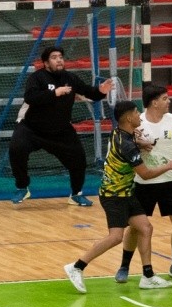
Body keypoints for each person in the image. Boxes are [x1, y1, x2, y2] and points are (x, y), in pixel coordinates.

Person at [64, 100, 172, 293]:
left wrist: (141, 143)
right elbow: (145, 174)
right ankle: (77, 267)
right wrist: (169, 166)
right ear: (128, 118)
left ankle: (148, 276)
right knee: (116, 237)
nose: (139, 116)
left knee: (145, 228)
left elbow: (130, 142)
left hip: (126, 192)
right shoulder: (127, 145)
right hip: (114, 195)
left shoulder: (119, 133)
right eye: (137, 113)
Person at [113, 84, 172, 283]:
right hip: (143, 181)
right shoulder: (136, 122)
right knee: (135, 227)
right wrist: (140, 144)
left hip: (169, 181)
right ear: (154, 102)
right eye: (165, 98)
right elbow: (125, 147)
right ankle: (124, 265)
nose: (169, 101)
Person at [8, 46, 112, 206]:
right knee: (16, 149)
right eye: (54, 57)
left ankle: (76, 194)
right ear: (46, 63)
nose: (59, 60)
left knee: (79, 160)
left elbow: (89, 93)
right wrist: (54, 93)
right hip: (32, 128)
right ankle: (22, 187)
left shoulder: (70, 78)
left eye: (61, 57)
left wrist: (101, 91)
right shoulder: (37, 78)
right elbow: (30, 97)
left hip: (60, 130)